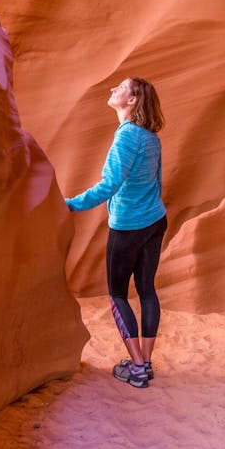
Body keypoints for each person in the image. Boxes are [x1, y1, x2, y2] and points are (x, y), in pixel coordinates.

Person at [65, 77, 167, 388]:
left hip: (128, 226)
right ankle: (146, 362)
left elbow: (110, 185)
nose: (113, 90)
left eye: (121, 88)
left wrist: (68, 205)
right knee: (147, 289)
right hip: (155, 220)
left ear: (133, 100)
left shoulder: (126, 138)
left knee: (118, 294)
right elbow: (157, 182)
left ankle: (136, 368)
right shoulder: (151, 138)